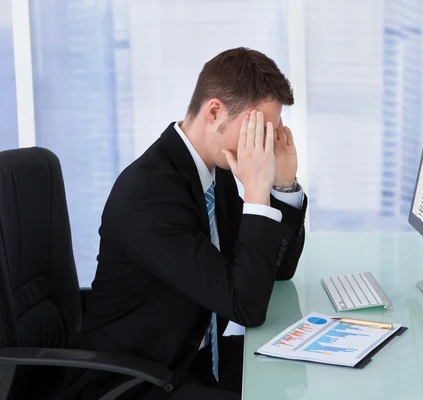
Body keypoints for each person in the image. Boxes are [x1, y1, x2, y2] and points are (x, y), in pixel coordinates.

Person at [58, 47, 307, 400]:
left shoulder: (212, 170)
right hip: (135, 381)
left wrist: (282, 185)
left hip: (193, 357)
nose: (263, 147)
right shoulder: (149, 195)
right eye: (256, 131)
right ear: (215, 112)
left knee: (306, 378)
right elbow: (246, 307)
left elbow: (275, 269)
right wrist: (255, 193)